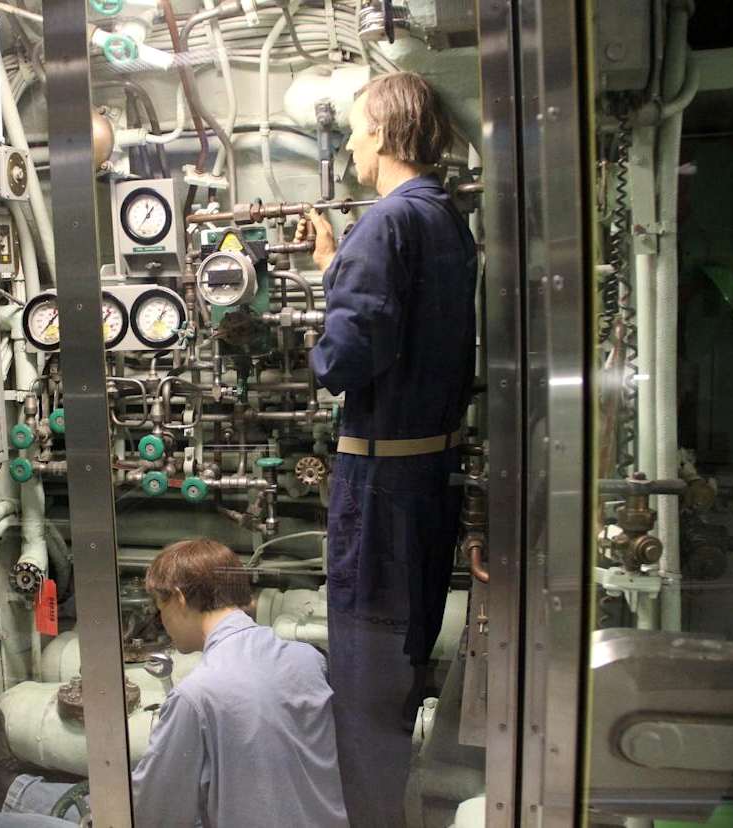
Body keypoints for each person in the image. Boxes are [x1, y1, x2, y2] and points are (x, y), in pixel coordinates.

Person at [301, 71, 477, 826]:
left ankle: (368, 814)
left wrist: (318, 346)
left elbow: (349, 355)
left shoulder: (386, 223)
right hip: (429, 470)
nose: (349, 146)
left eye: (353, 130)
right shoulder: (443, 216)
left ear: (381, 131)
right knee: (405, 655)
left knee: (366, 667)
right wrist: (337, 268)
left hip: (381, 482)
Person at [0, 538, 348, 828]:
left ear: (180, 599)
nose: (159, 619)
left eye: (160, 605)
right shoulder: (307, 659)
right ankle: (11, 790)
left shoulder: (200, 695)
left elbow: (152, 816)